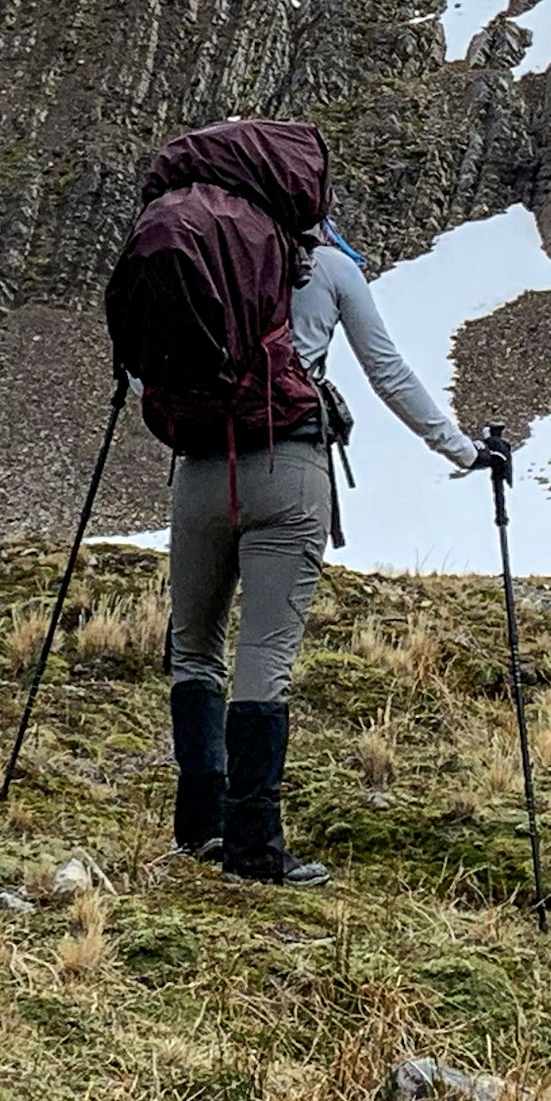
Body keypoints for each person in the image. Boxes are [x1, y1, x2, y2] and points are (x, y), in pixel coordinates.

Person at [148, 137, 497, 887]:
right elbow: (389, 372)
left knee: (193, 650)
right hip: (289, 467)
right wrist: (464, 451)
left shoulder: (203, 253)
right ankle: (253, 850)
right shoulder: (330, 268)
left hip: (201, 467)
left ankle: (197, 829)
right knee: (262, 658)